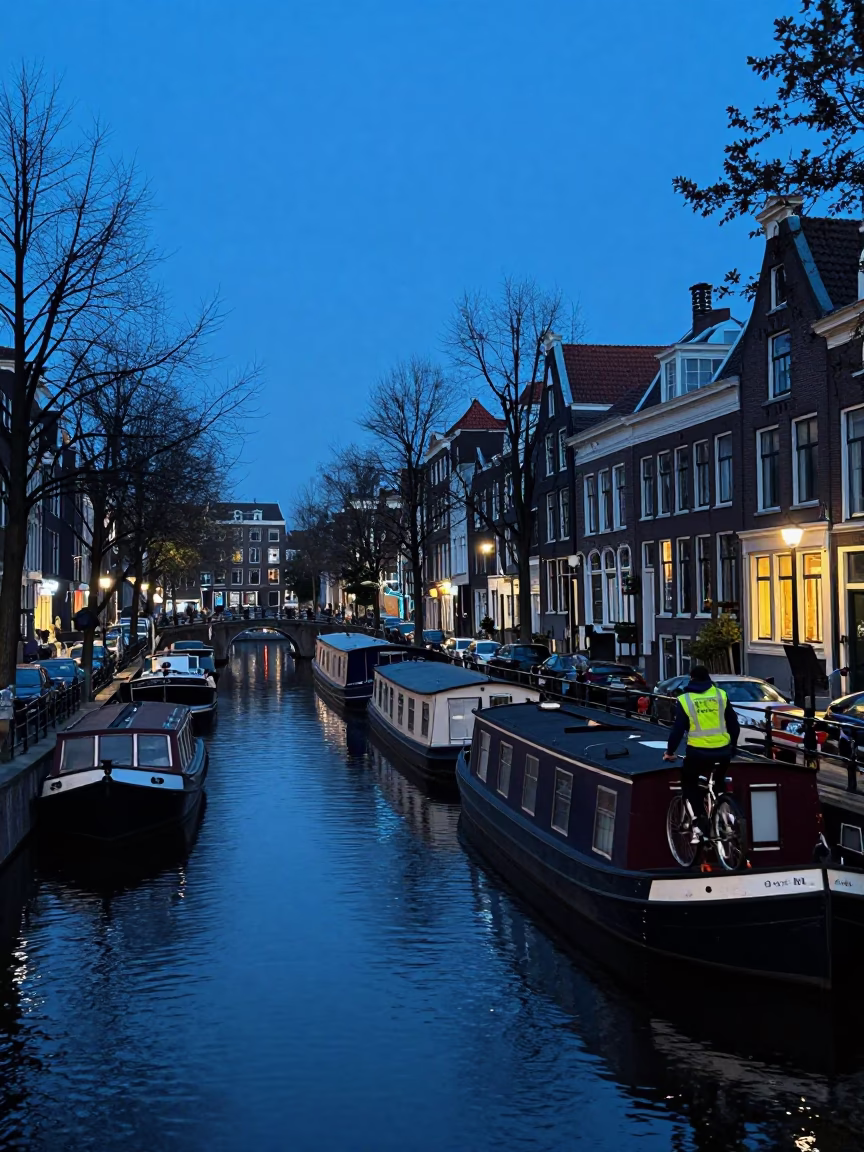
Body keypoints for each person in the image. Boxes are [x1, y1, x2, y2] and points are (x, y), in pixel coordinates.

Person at [663, 665, 740, 844]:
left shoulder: (684, 700)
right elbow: (734, 725)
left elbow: (677, 731)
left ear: (691, 679)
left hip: (697, 752)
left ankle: (698, 820)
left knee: (689, 782)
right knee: (718, 783)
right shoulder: (720, 695)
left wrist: (669, 752)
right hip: (723, 751)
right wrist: (733, 747)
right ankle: (725, 812)